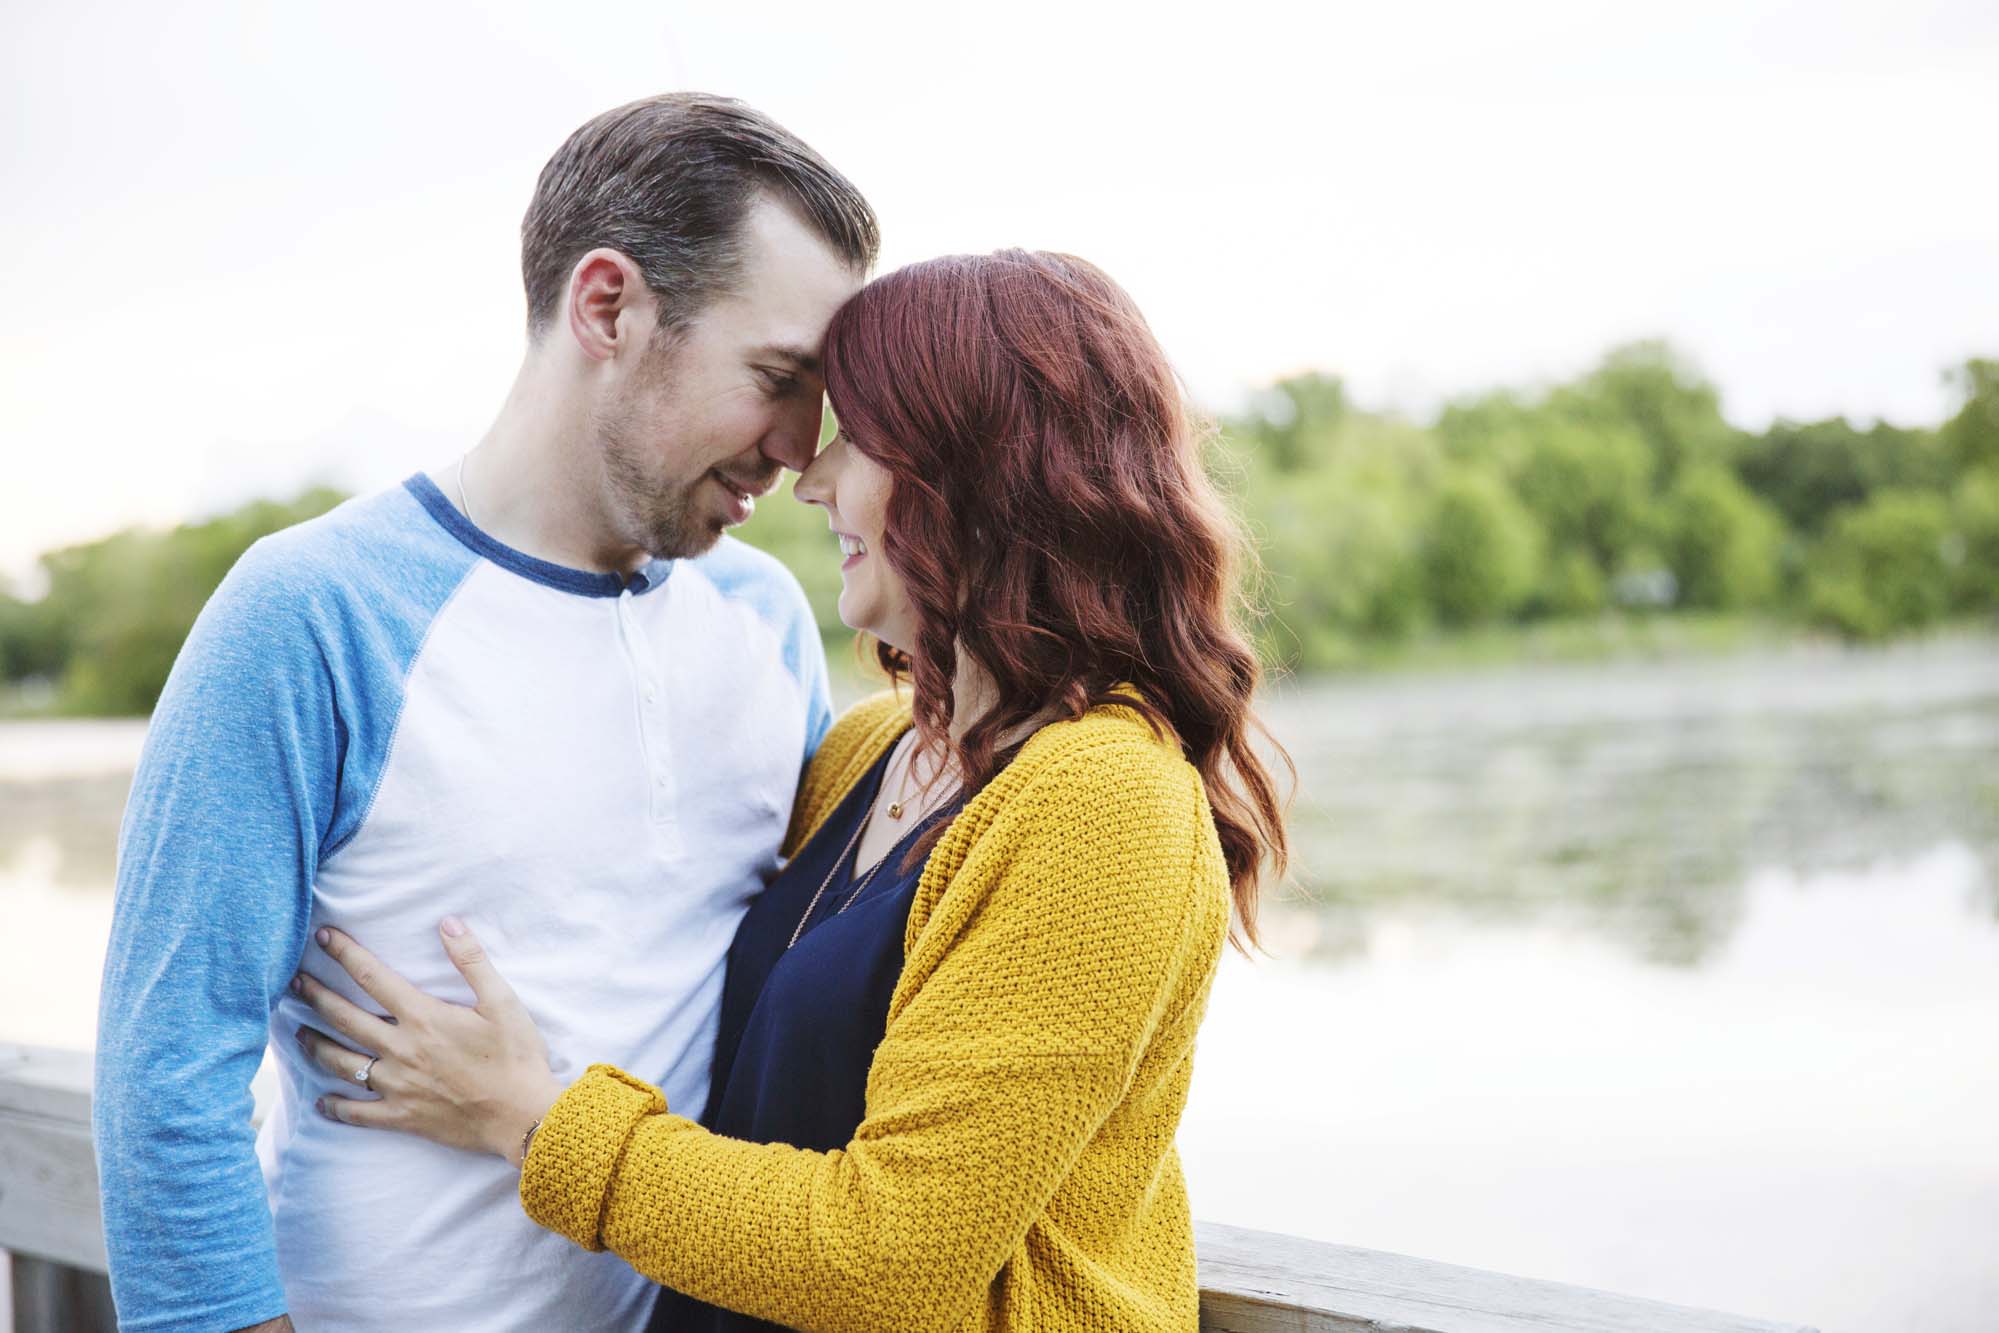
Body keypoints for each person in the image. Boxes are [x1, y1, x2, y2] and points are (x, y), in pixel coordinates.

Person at [291, 250, 1292, 1332]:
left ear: (979, 473)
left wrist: (532, 1121)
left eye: (853, 442)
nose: (810, 482)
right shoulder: (867, 752)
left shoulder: (1106, 799)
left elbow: (889, 1253)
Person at [91, 93, 877, 1333]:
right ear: (607, 306)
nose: (797, 447)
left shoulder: (768, 620)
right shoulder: (312, 613)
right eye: (776, 378)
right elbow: (167, 1073)